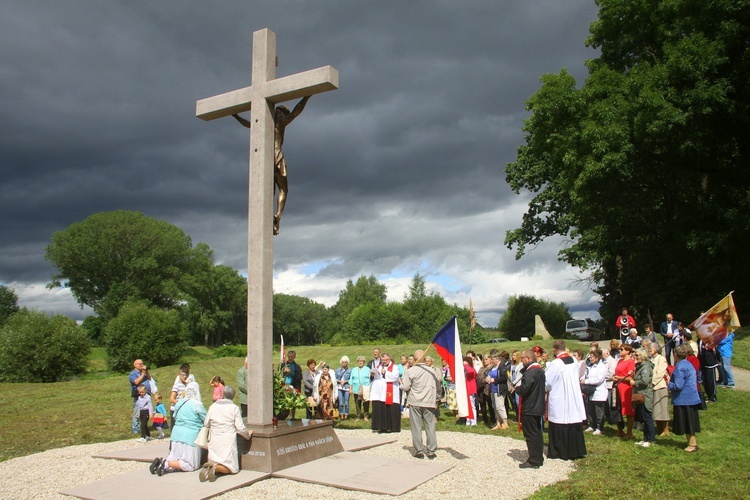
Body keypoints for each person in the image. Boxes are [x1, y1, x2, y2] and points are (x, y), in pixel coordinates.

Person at [232, 96, 311, 235]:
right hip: (276, 156)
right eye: (280, 112)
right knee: (283, 189)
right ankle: (278, 215)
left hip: (263, 158)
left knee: (269, 191)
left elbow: (247, 123)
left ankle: (272, 220)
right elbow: (295, 112)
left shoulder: (262, 124)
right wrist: (307, 96)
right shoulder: (280, 124)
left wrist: (235, 115)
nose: (280, 114)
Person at [150, 382, 206, 476]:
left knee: (175, 456)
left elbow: (175, 416)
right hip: (191, 437)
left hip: (176, 434)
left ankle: (163, 463)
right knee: (191, 464)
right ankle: (166, 463)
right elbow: (206, 419)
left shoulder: (179, 403)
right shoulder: (197, 405)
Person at [199, 386, 253, 482]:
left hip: (215, 438)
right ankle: (215, 468)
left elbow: (206, 423)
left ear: (223, 395)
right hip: (227, 440)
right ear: (233, 396)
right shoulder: (234, 408)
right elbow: (240, 427)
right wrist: (248, 436)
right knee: (232, 468)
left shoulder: (213, 406)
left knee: (214, 458)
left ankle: (210, 466)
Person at [545, 340, 587, 460]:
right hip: (573, 394)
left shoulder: (555, 364)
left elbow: (547, 381)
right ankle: (575, 450)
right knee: (572, 420)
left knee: (560, 420)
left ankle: (559, 451)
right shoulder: (574, 361)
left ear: (554, 349)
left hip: (560, 396)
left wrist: (546, 388)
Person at [402, 349, 441, 459]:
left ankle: (419, 450)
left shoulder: (411, 371)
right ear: (425, 359)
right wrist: (437, 398)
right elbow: (438, 387)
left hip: (415, 401)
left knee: (416, 426)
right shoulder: (432, 371)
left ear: (414, 359)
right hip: (429, 401)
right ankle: (431, 451)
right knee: (430, 426)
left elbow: (405, 387)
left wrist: (401, 385)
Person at [515, 350, 546, 469]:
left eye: (522, 358)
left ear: (528, 358)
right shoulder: (539, 370)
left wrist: (517, 389)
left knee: (531, 434)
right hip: (538, 405)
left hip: (530, 407)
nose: (521, 360)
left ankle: (534, 460)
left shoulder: (530, 372)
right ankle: (538, 457)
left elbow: (525, 389)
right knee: (537, 433)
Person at [669, 344, 702, 452]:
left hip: (684, 399)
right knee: (690, 422)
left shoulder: (680, 368)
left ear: (676, 354)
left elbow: (678, 385)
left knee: (688, 423)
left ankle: (692, 444)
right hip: (692, 398)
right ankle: (691, 442)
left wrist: (668, 384)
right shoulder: (688, 364)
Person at [370, 353, 401, 433]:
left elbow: (395, 377)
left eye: (386, 360)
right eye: (382, 360)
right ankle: (381, 426)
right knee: (380, 408)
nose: (384, 362)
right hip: (380, 392)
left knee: (390, 408)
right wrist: (373, 375)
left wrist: (385, 373)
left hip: (390, 391)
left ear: (389, 359)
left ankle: (392, 427)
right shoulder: (379, 366)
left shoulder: (395, 367)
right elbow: (377, 378)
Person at [631, 348, 655, 447]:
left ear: (642, 356)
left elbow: (645, 381)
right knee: (643, 417)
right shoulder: (640, 366)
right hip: (640, 395)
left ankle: (650, 439)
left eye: (637, 355)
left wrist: (635, 382)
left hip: (645, 395)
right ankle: (645, 438)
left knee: (647, 417)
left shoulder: (645, 368)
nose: (635, 357)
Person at [647, 341, 670, 437]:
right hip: (652, 387)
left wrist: (652, 382)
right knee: (655, 408)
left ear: (656, 349)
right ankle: (659, 428)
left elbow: (660, 373)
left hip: (659, 386)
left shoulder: (661, 359)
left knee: (662, 407)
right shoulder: (651, 359)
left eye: (650, 349)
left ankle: (665, 429)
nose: (648, 350)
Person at [613, 344, 636, 439]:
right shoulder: (619, 360)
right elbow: (617, 372)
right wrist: (615, 377)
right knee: (616, 407)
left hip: (626, 387)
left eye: (621, 349)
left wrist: (619, 378)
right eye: (619, 349)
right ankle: (619, 430)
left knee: (628, 410)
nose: (619, 351)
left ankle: (629, 432)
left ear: (628, 351)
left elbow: (631, 376)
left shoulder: (631, 362)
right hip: (617, 385)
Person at [582, 349, 607, 435]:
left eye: (592, 357)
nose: (590, 359)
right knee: (590, 409)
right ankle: (592, 425)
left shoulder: (602, 367)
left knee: (598, 410)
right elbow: (586, 375)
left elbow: (598, 379)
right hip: (590, 392)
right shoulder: (590, 366)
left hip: (599, 391)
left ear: (597, 358)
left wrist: (586, 381)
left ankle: (600, 427)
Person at [129, 359, 152, 435]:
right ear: (135, 365)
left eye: (142, 363)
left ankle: (144, 426)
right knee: (137, 412)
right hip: (139, 396)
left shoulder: (144, 372)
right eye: (140, 364)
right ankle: (135, 428)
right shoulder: (133, 374)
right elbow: (136, 382)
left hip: (146, 395)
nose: (142, 365)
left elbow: (149, 378)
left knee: (146, 411)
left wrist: (146, 372)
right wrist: (142, 374)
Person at [486, 353, 509, 430]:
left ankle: (505, 423)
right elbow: (489, 374)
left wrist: (494, 380)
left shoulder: (502, 367)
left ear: (497, 359)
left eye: (493, 360)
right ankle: (498, 423)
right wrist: (488, 378)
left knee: (500, 406)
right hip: (493, 389)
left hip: (499, 389)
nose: (492, 361)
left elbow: (504, 378)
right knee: (495, 406)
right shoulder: (493, 367)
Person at [171, 363, 195, 428]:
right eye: (183, 375)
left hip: (185, 410)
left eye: (186, 375)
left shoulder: (188, 386)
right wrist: (181, 404)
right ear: (179, 375)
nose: (184, 376)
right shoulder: (177, 385)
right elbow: (172, 399)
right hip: (175, 409)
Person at [698, 338, 720, 402]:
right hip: (703, 363)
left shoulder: (709, 340)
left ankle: (713, 397)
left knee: (710, 381)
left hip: (710, 363)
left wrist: (718, 360)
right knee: (704, 381)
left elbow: (715, 350)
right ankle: (708, 395)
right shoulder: (699, 340)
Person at [350, 356, 371, 421]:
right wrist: (350, 388)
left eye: (361, 361)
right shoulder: (354, 369)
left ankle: (366, 416)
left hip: (365, 388)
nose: (360, 362)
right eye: (359, 361)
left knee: (366, 403)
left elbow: (370, 379)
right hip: (356, 388)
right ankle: (358, 415)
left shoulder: (367, 369)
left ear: (364, 362)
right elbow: (351, 379)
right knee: (357, 403)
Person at [463, 356, 478, 426]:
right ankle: (468, 420)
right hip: (465, 390)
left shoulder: (472, 369)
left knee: (472, 406)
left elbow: (471, 371)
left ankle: (473, 421)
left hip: (471, 390)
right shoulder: (464, 370)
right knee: (467, 406)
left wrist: (466, 365)